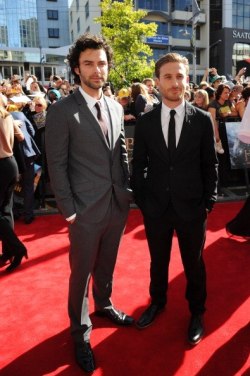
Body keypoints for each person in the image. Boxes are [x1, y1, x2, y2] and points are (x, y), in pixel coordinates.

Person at [45, 33, 134, 373]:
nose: (97, 69)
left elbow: (120, 153)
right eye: (89, 64)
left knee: (107, 264)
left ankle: (105, 304)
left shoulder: (115, 105)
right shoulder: (61, 111)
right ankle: (80, 331)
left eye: (102, 62)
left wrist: (126, 192)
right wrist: (68, 209)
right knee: (80, 273)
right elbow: (57, 164)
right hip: (82, 210)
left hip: (116, 204)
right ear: (76, 68)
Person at [131, 52, 218, 346]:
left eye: (179, 76)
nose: (175, 82)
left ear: (187, 79)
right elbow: (138, 165)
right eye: (168, 76)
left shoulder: (203, 120)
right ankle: (157, 302)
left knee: (194, 264)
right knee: (159, 261)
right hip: (156, 208)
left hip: (192, 208)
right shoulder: (145, 122)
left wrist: (209, 202)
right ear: (157, 81)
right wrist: (144, 202)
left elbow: (210, 165)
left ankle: (197, 312)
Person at [0, 94, 28, 272]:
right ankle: (8, 251)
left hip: (0, 166)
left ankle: (18, 249)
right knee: (5, 210)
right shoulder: (8, 115)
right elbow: (21, 138)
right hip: (11, 164)